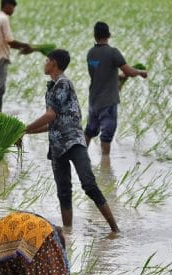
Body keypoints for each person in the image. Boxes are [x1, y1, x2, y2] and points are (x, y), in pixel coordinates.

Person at [24, 49, 120, 232]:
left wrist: (26, 128)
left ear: (53, 63)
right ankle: (68, 233)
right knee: (64, 192)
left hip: (74, 142)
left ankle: (115, 229)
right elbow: (53, 122)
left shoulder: (63, 83)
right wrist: (26, 133)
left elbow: (51, 114)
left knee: (89, 184)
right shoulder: (51, 87)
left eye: (46, 60)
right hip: (57, 145)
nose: (44, 63)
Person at [85, 22, 148, 156]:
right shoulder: (113, 52)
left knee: (90, 131)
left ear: (94, 36)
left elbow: (100, 73)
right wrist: (141, 72)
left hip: (93, 100)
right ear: (109, 35)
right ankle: (105, 164)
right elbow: (129, 71)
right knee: (106, 135)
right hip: (108, 101)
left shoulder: (91, 53)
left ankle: (81, 157)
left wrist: (120, 77)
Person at [0, 0, 33, 113]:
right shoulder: (4, 18)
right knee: (0, 88)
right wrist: (25, 45)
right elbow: (9, 41)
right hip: (0, 57)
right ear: (7, 6)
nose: (13, 10)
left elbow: (4, 40)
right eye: (12, 7)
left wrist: (22, 47)